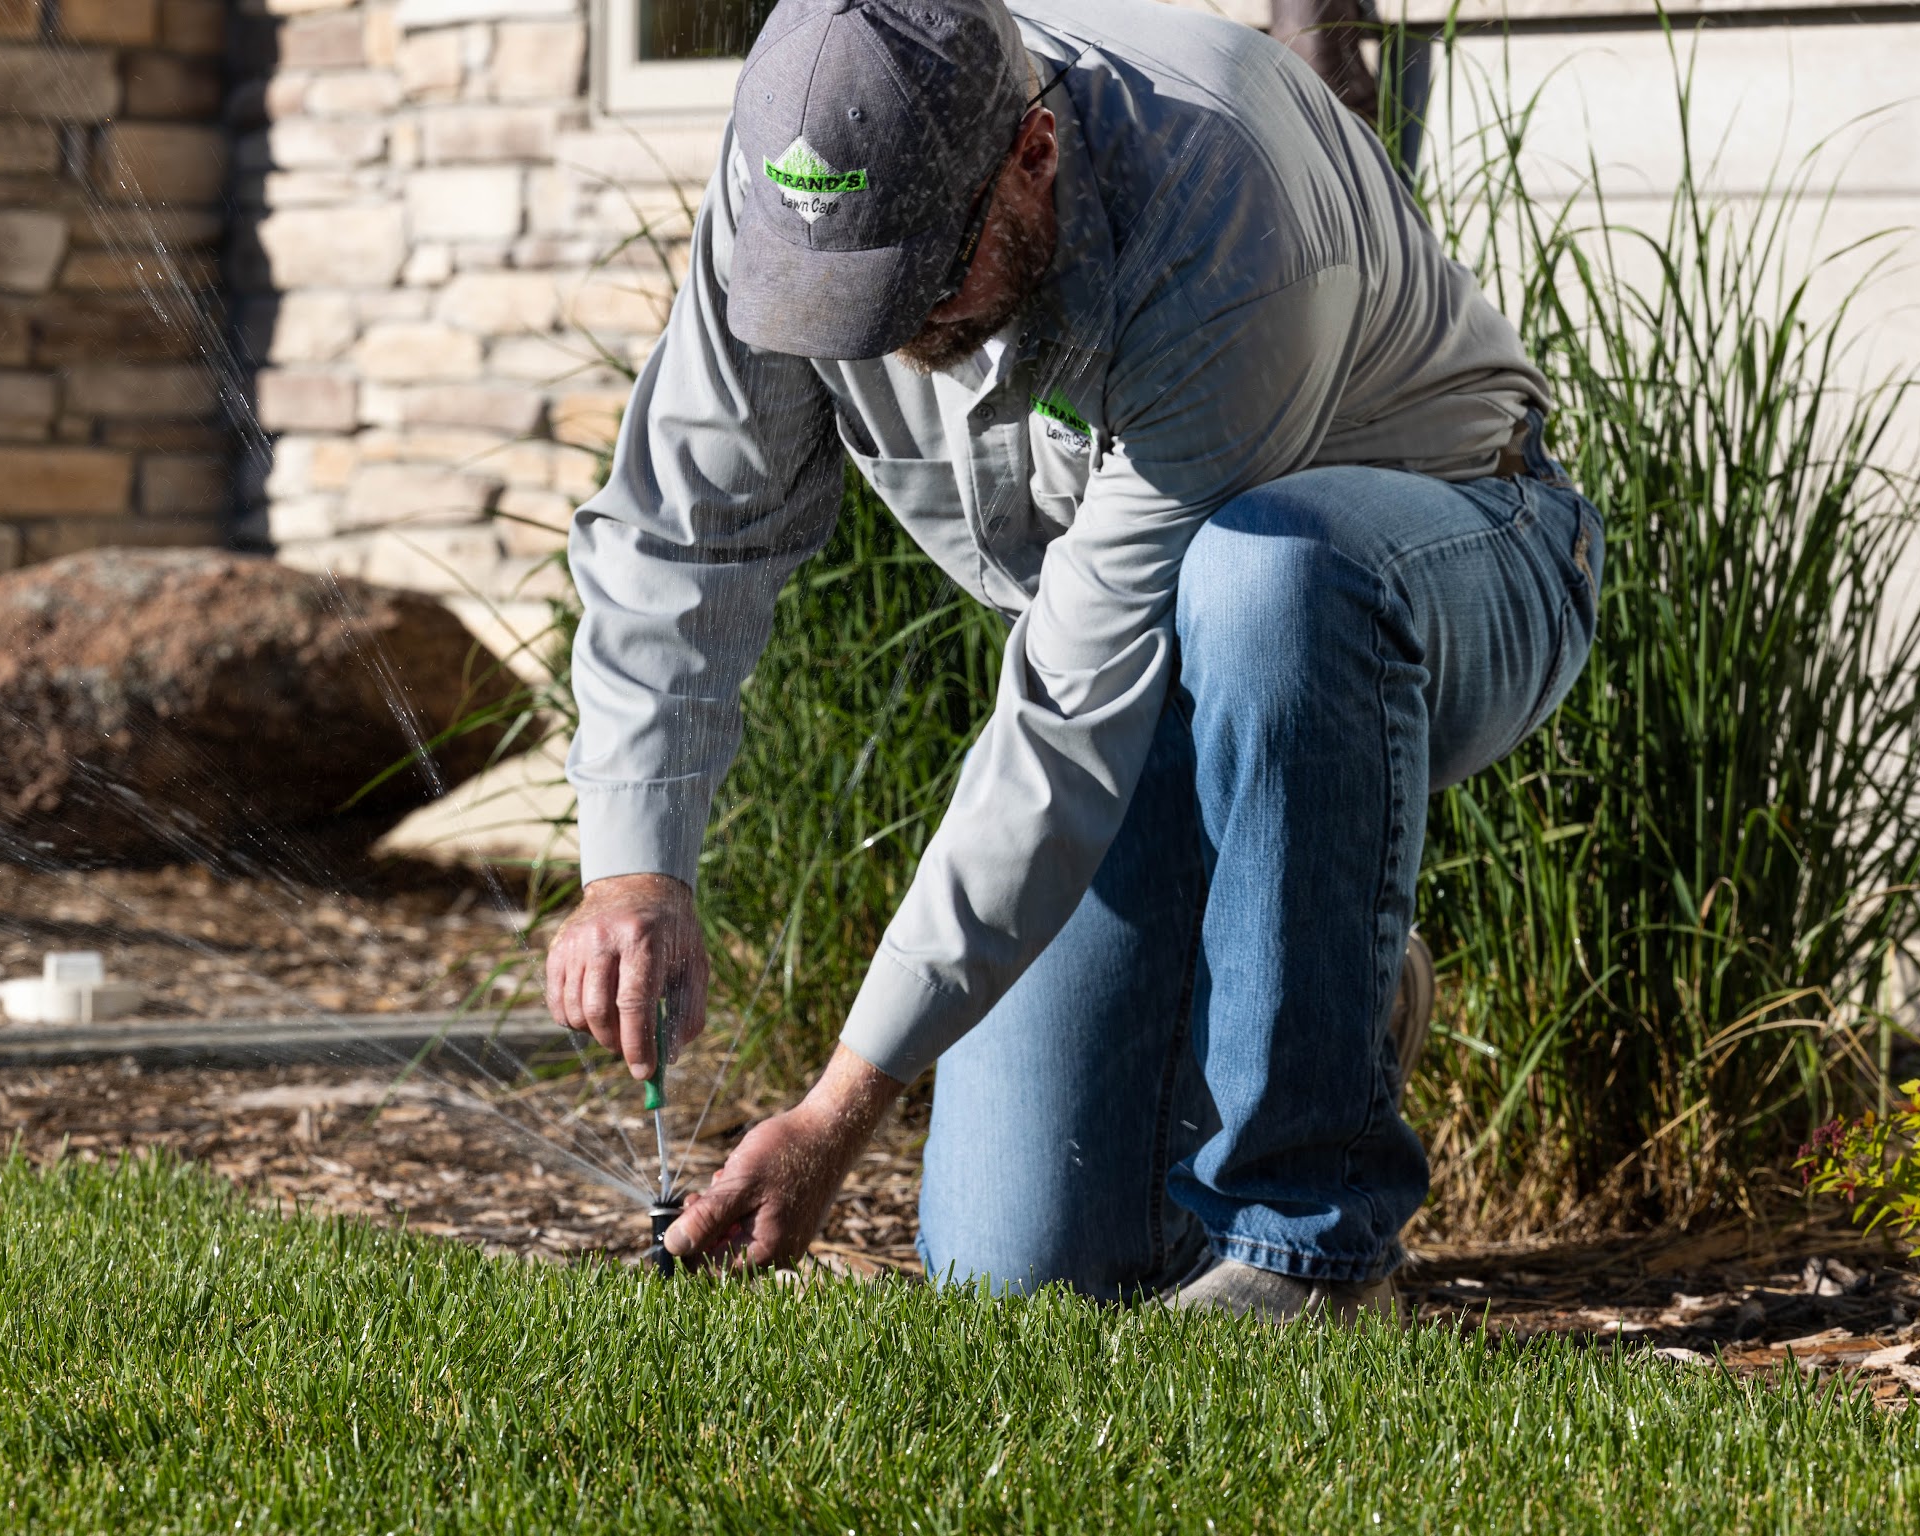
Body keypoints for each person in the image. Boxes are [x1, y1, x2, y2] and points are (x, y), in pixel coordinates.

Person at [545, 0, 1603, 1322]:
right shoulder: (804, 176)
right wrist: (635, 869)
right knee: (1020, 1268)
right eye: (832, 299)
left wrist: (832, 1113)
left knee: (1269, 572)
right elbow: (684, 528)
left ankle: (1308, 1248)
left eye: (913, 286)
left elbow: (1064, 726)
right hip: (1151, 657)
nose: (872, 332)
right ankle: (1305, 971)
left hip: (1455, 559)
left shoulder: (1219, 217)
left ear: (1033, 155)